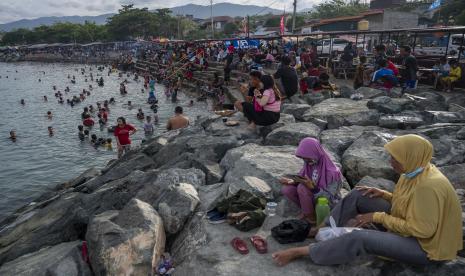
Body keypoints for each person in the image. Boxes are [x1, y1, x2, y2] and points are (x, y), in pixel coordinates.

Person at [272, 134, 462, 266]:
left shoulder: (428, 186)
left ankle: (305, 251)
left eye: (396, 158)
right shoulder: (415, 171)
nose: (390, 161)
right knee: (359, 194)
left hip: (426, 248)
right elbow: (413, 204)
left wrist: (376, 217)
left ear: (411, 157)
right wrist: (386, 195)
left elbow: (423, 230)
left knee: (359, 237)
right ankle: (321, 229)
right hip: (413, 228)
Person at [280, 138, 342, 224]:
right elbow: (302, 178)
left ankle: (312, 219)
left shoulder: (333, 172)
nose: (306, 161)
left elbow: (329, 197)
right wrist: (293, 181)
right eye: (304, 159)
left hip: (326, 204)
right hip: (312, 199)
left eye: (308, 158)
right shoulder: (309, 165)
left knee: (302, 188)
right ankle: (308, 212)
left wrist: (313, 188)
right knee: (287, 189)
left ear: (316, 153)